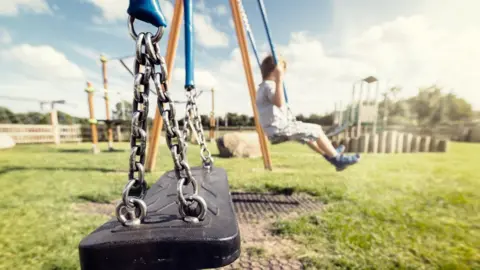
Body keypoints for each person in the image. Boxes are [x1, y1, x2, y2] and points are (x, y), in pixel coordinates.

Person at [256, 55, 360, 171]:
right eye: (283, 72)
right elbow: (279, 103)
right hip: (280, 130)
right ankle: (337, 159)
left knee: (309, 138)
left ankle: (331, 155)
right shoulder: (271, 85)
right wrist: (279, 80)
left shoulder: (261, 88)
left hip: (273, 131)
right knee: (317, 130)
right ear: (276, 71)